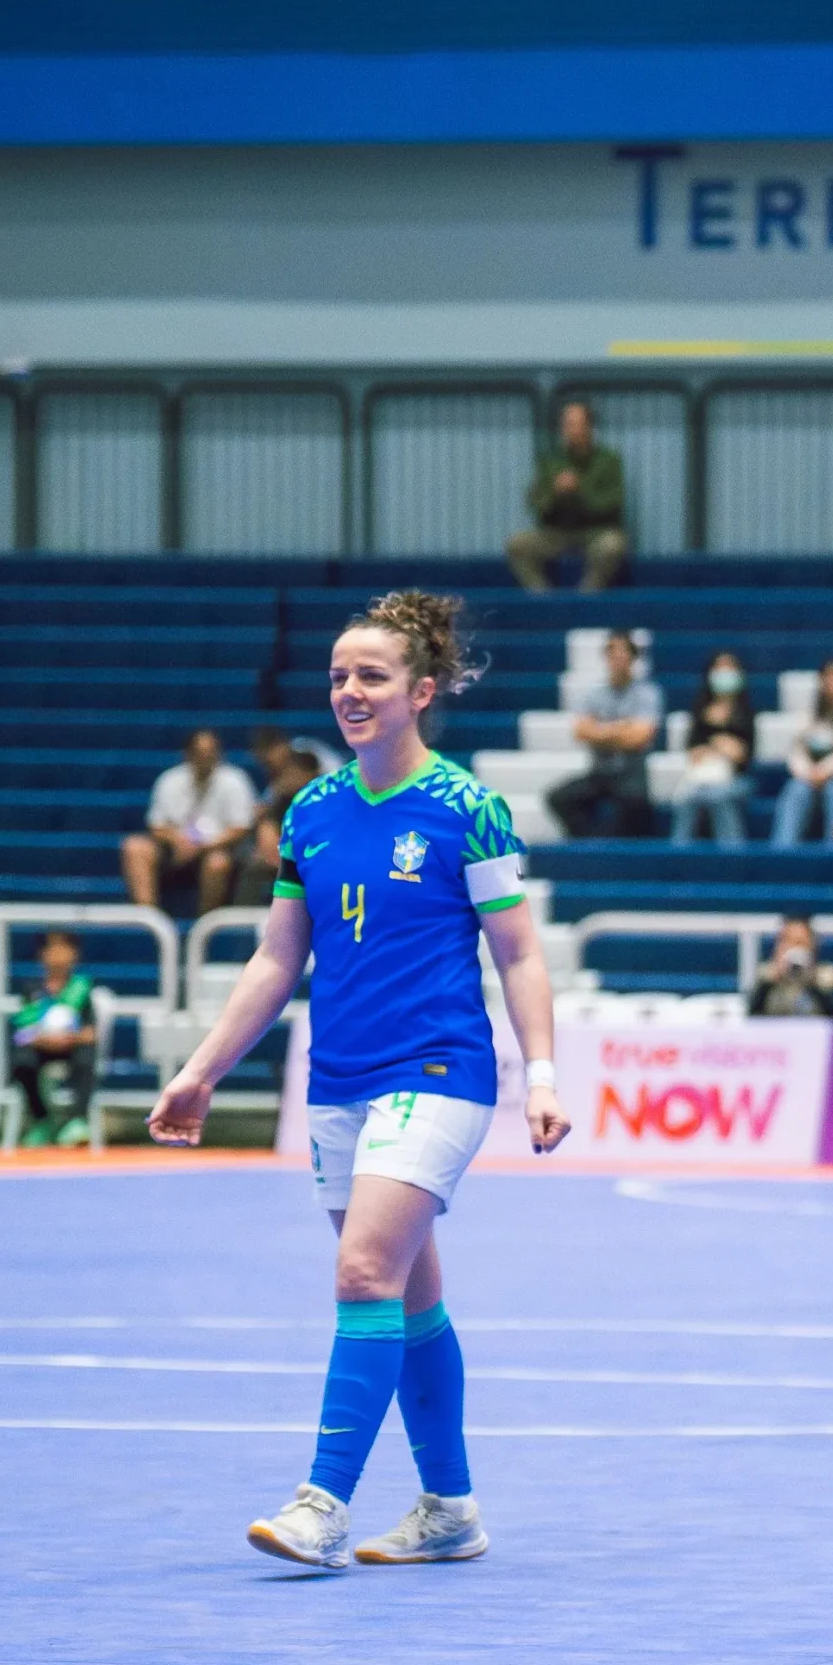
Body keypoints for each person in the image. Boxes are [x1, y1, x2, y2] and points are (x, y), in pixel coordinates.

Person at [148, 590, 569, 1570]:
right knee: (409, 1299)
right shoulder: (311, 810)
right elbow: (274, 958)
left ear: (421, 691)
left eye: (371, 676)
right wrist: (202, 1072)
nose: (349, 691)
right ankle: (449, 1511)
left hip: (438, 1071)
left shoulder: (469, 807)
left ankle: (321, 1506)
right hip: (336, 1079)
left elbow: (519, 955)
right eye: (338, 675)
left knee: (361, 1275)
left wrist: (541, 1073)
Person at [122, 728, 258, 916]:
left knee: (217, 862)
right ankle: (149, 920)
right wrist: (179, 841)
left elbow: (241, 827)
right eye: (201, 753)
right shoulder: (169, 780)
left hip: (217, 850)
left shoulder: (235, 780)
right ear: (188, 754)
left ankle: (204, 927)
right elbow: (157, 826)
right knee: (134, 847)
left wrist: (203, 846)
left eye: (211, 752)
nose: (207, 758)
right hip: (175, 852)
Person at [546, 630, 663, 840]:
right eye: (613, 655)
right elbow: (581, 731)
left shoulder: (647, 692)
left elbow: (641, 736)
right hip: (600, 772)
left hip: (631, 772)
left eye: (623, 655)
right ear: (606, 658)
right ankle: (588, 844)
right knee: (558, 797)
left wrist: (601, 731)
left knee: (635, 804)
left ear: (633, 659)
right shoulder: (594, 693)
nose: (618, 661)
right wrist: (621, 728)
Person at [506, 401, 628, 593]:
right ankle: (543, 599)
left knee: (613, 545)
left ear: (589, 427)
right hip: (556, 532)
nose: (569, 430)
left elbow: (613, 502)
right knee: (517, 544)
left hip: (595, 532)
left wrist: (580, 491)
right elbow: (536, 504)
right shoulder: (550, 461)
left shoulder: (609, 460)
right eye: (566, 424)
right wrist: (556, 493)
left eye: (574, 424)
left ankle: (586, 597)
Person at [9, 928, 95, 1147]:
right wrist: (44, 1040)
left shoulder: (82, 989)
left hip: (71, 1047)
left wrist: (69, 1038)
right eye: (51, 948)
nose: (58, 954)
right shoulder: (32, 990)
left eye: (64, 948)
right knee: (22, 1061)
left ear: (74, 954)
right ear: (41, 954)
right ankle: (42, 1120)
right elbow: (22, 1031)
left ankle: (76, 1121)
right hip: (41, 1047)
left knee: (87, 1058)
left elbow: (90, 1033)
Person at [771, 658, 833, 847]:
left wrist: (825, 770)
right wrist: (808, 773)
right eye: (828, 678)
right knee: (796, 789)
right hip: (811, 776)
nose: (832, 684)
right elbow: (797, 749)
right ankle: (782, 850)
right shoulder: (812, 713)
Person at [671, 651, 754, 844]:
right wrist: (723, 745)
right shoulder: (699, 711)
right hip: (701, 777)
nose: (724, 673)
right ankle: (678, 855)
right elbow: (693, 752)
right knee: (686, 796)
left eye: (729, 668)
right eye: (719, 668)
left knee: (718, 795)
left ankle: (733, 855)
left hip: (736, 779)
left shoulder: (747, 713)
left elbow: (744, 756)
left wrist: (718, 747)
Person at [238, 745, 325, 905]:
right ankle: (241, 923)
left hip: (318, 861)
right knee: (254, 866)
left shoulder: (329, 801)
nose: (286, 777)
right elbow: (268, 834)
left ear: (311, 774)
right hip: (282, 861)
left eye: (293, 771)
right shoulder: (282, 800)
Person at [747, 916, 833, 1018]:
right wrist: (770, 982)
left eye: (800, 942)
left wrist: (812, 980)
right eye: (788, 942)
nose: (794, 948)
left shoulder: (827, 977)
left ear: (813, 946)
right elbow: (752, 1016)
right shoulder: (765, 976)